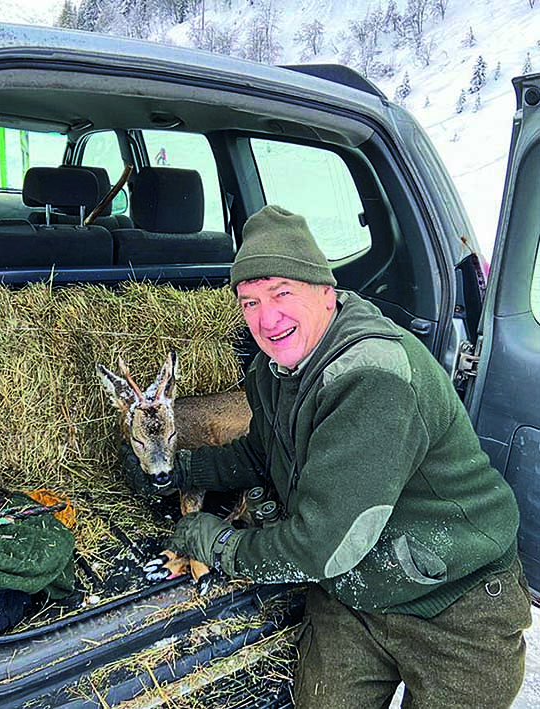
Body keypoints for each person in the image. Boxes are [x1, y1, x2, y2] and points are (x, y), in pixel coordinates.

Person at [123, 205, 532, 707]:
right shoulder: (274, 369)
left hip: (452, 600)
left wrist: (218, 543)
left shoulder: (370, 377)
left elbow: (322, 546)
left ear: (325, 289)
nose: (266, 319)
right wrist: (180, 469)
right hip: (354, 591)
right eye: (249, 302)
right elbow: (264, 451)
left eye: (281, 293)